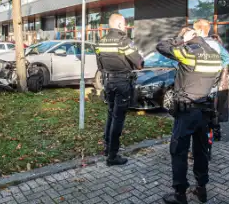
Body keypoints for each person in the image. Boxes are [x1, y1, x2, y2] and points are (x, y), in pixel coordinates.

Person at [156, 27, 222, 204]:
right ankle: (201, 190)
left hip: (186, 112)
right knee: (201, 152)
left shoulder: (188, 52)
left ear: (188, 37)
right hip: (205, 111)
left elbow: (161, 46)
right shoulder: (215, 56)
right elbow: (216, 79)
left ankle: (180, 195)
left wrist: (180, 38)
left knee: (178, 151)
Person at [95, 13, 143, 166]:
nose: (126, 27)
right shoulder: (124, 42)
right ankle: (112, 156)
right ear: (120, 25)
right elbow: (139, 64)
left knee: (110, 114)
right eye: (125, 24)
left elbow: (100, 66)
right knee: (118, 118)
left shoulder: (100, 42)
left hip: (108, 82)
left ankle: (107, 147)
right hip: (122, 82)